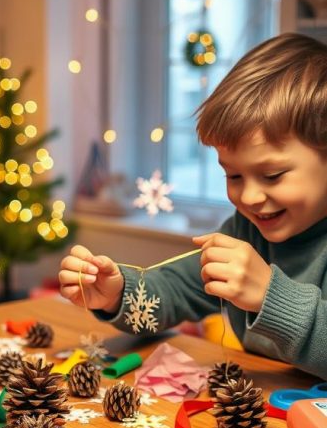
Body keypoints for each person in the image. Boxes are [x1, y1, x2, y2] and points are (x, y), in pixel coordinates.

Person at [59, 32, 327, 379]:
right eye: (233, 176)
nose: (248, 198)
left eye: (273, 175)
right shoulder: (245, 231)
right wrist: (115, 295)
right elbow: (171, 292)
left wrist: (270, 297)